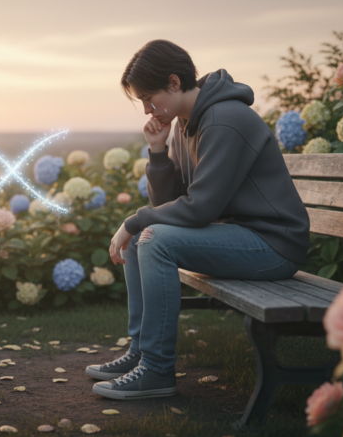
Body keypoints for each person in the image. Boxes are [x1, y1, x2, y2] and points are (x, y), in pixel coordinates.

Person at [87, 40, 310, 400]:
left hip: (273, 245)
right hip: (240, 236)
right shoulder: (183, 125)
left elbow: (199, 208)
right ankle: (143, 352)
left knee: (151, 237)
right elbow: (170, 206)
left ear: (174, 82)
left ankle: (157, 370)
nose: (146, 110)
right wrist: (157, 152)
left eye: (149, 98)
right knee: (145, 236)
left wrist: (133, 221)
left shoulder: (225, 119)